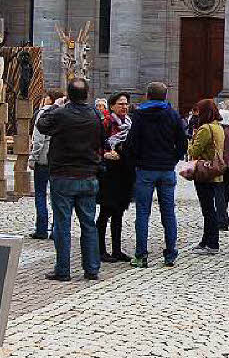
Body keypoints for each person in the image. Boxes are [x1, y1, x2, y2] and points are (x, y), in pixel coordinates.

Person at [36, 78, 105, 282]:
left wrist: (52, 107)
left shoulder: (60, 113)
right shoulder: (95, 115)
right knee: (88, 224)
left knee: (62, 224)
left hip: (63, 175)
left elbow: (41, 125)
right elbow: (102, 140)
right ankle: (92, 269)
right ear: (87, 95)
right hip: (88, 175)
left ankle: (63, 269)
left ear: (69, 94)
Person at [122, 81, 188, 267]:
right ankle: (170, 254)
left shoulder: (140, 115)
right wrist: (173, 159)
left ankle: (141, 255)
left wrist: (136, 161)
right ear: (165, 96)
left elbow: (132, 143)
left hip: (145, 169)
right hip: (166, 169)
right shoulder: (173, 115)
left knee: (143, 212)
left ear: (148, 95)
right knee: (168, 213)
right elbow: (182, 143)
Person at [96, 92, 134, 263]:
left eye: (126, 104)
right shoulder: (106, 123)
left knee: (119, 212)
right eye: (120, 104)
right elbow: (96, 145)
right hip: (109, 173)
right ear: (112, 106)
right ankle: (100, 249)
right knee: (105, 212)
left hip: (125, 173)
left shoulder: (130, 124)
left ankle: (117, 249)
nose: (124, 107)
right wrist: (105, 154)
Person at [188, 99, 225, 255]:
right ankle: (205, 240)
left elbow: (194, 152)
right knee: (210, 207)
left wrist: (190, 141)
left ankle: (212, 243)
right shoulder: (218, 127)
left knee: (208, 209)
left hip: (204, 173)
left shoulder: (205, 128)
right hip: (215, 172)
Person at [27, 88, 63, 239]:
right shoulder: (64, 114)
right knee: (57, 196)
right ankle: (56, 230)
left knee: (41, 194)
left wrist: (32, 158)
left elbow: (38, 140)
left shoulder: (44, 113)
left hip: (43, 159)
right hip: (57, 159)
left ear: (49, 98)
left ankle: (41, 229)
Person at [214, 108, 229, 231]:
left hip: (222, 165)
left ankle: (221, 220)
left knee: (219, 192)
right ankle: (223, 216)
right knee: (226, 192)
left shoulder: (220, 131)